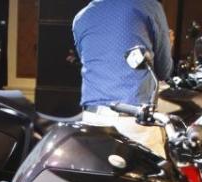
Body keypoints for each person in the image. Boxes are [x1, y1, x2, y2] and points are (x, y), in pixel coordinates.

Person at [73, 0, 174, 157]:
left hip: (92, 121)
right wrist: (169, 43)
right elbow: (164, 70)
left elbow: (91, 62)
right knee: (159, 172)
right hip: (134, 122)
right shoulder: (148, 6)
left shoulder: (81, 17)